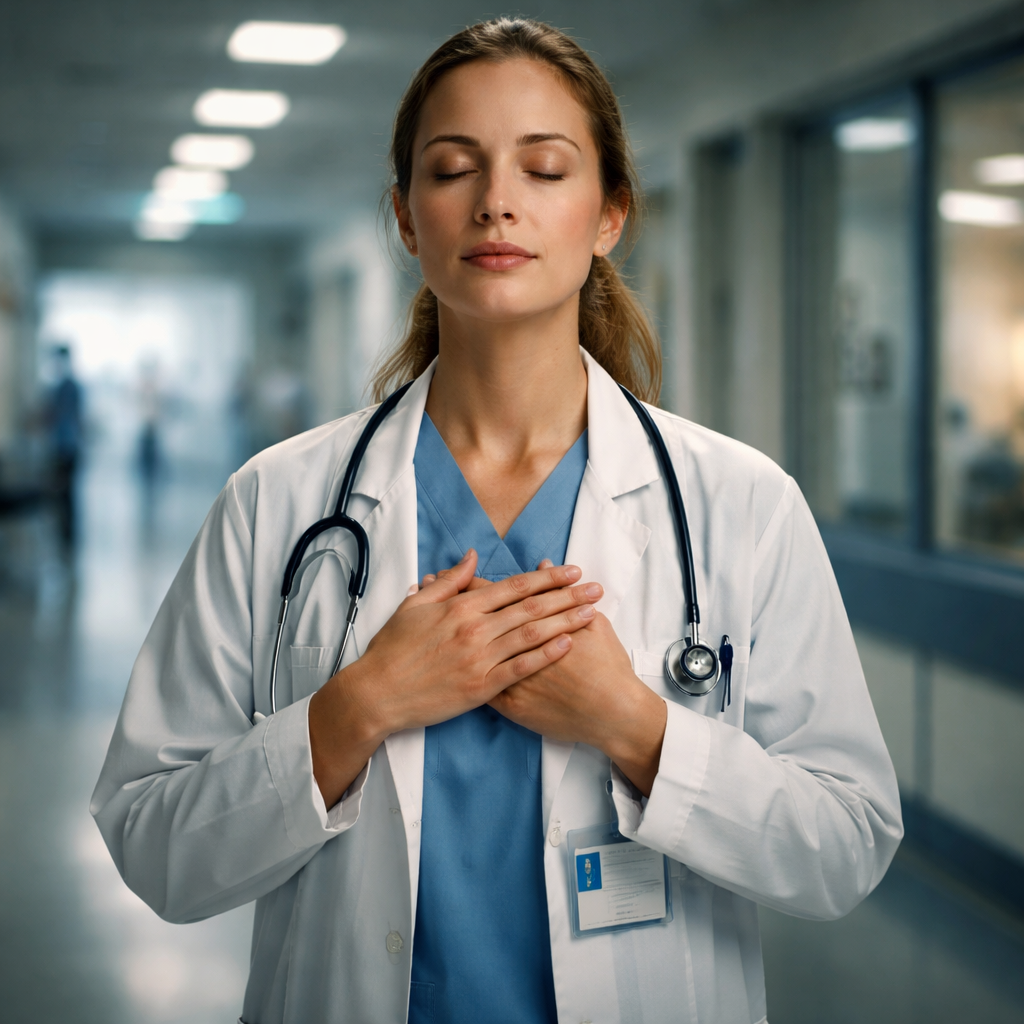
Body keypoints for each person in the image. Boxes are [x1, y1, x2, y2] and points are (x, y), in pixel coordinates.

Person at [91, 18, 902, 1024]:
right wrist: (357, 707)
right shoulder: (279, 500)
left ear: (609, 214)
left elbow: (846, 844)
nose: (496, 202)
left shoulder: (737, 502)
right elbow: (153, 842)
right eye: (451, 168)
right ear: (404, 215)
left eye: (545, 167)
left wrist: (636, 726)